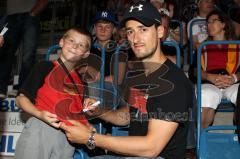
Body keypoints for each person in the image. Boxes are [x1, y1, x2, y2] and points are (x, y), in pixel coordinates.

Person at [60, 1, 193, 159]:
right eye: (130, 31)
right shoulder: (139, 76)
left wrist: (91, 138)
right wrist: (100, 112)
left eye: (143, 29)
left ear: (160, 31)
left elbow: (152, 148)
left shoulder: (173, 81)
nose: (135, 38)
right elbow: (129, 117)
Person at [14, 27, 94, 159]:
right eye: (71, 41)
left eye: (81, 45)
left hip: (68, 138)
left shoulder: (82, 83)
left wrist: (88, 117)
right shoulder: (44, 67)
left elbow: (78, 113)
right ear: (62, 42)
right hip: (41, 127)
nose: (74, 46)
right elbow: (20, 99)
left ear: (85, 54)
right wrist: (39, 114)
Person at [0, 0, 48, 99]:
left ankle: (22, 89)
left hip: (30, 14)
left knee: (28, 55)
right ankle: (1, 88)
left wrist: (33, 13)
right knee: (5, 52)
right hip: (10, 16)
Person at [201, 10, 240, 128]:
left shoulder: (237, 46)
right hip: (210, 82)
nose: (209, 25)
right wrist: (209, 76)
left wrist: (234, 77)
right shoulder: (203, 46)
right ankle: (201, 138)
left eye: (214, 21)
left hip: (232, 82)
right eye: (208, 22)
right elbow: (194, 72)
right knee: (208, 94)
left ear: (223, 25)